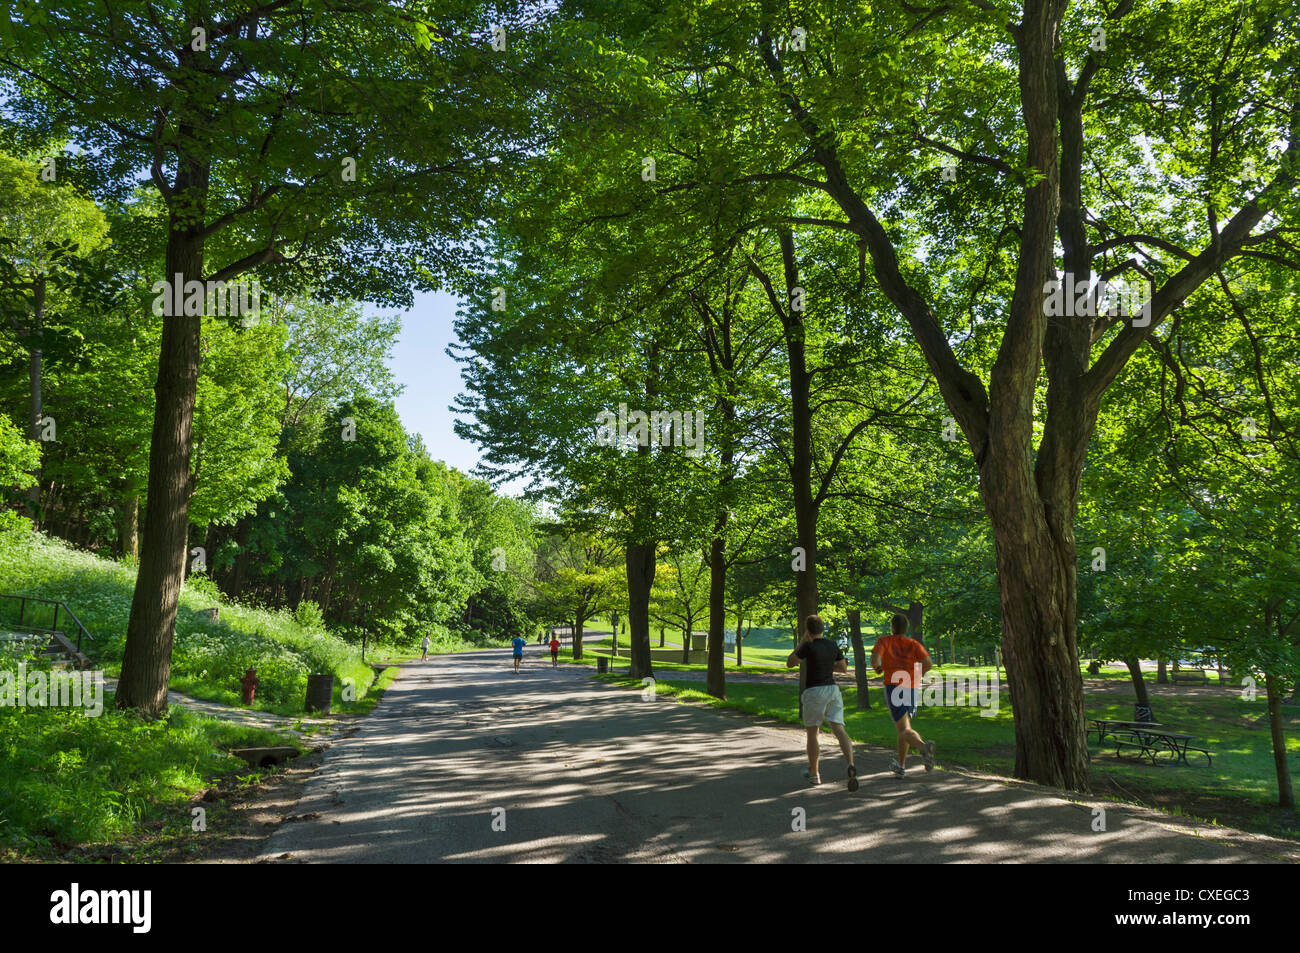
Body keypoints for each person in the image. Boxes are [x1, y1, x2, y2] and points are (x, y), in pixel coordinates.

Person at [787, 614, 858, 791]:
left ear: (808, 629)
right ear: (822, 628)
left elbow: (790, 662)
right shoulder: (832, 645)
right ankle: (850, 764)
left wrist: (802, 642)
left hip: (814, 691)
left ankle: (815, 774)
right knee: (839, 728)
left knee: (813, 733)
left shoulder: (808, 646)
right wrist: (826, 665)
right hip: (833, 690)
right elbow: (843, 668)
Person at [871, 613, 936, 778]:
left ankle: (923, 747)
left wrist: (878, 667)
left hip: (894, 687)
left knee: (904, 729)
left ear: (892, 627)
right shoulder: (913, 643)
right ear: (906, 629)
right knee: (904, 728)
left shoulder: (884, 641)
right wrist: (915, 674)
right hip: (911, 687)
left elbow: (875, 660)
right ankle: (900, 766)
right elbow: (928, 664)